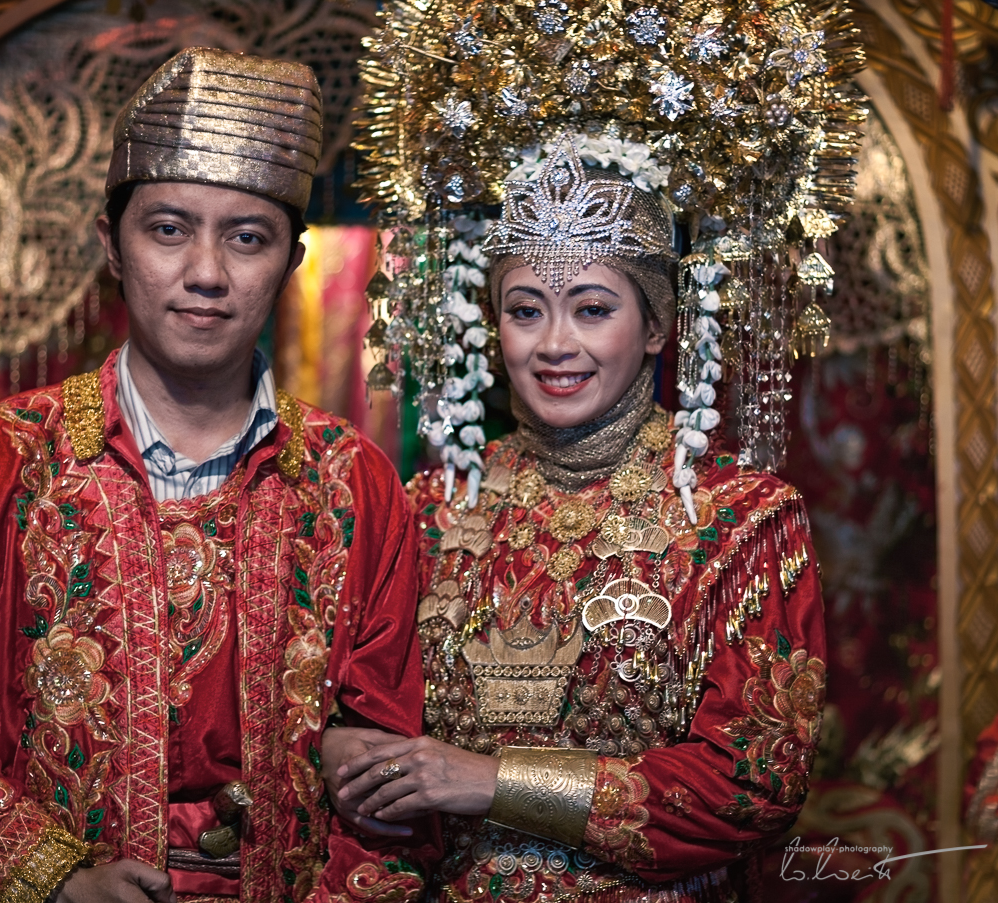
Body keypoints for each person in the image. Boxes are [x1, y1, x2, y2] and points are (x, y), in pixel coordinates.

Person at [0, 47, 431, 903]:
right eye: (168, 228)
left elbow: (394, 787)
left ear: (292, 262)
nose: (206, 272)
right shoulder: (4, 458)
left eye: (247, 237)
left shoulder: (354, 485)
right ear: (110, 246)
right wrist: (56, 882)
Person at [323, 137, 827, 901]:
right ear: (495, 327)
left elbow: (753, 781)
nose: (555, 344)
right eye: (527, 310)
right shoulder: (429, 509)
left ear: (656, 328)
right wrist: (338, 750)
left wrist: (490, 781)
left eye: (592, 309)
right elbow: (357, 715)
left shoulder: (741, 520)